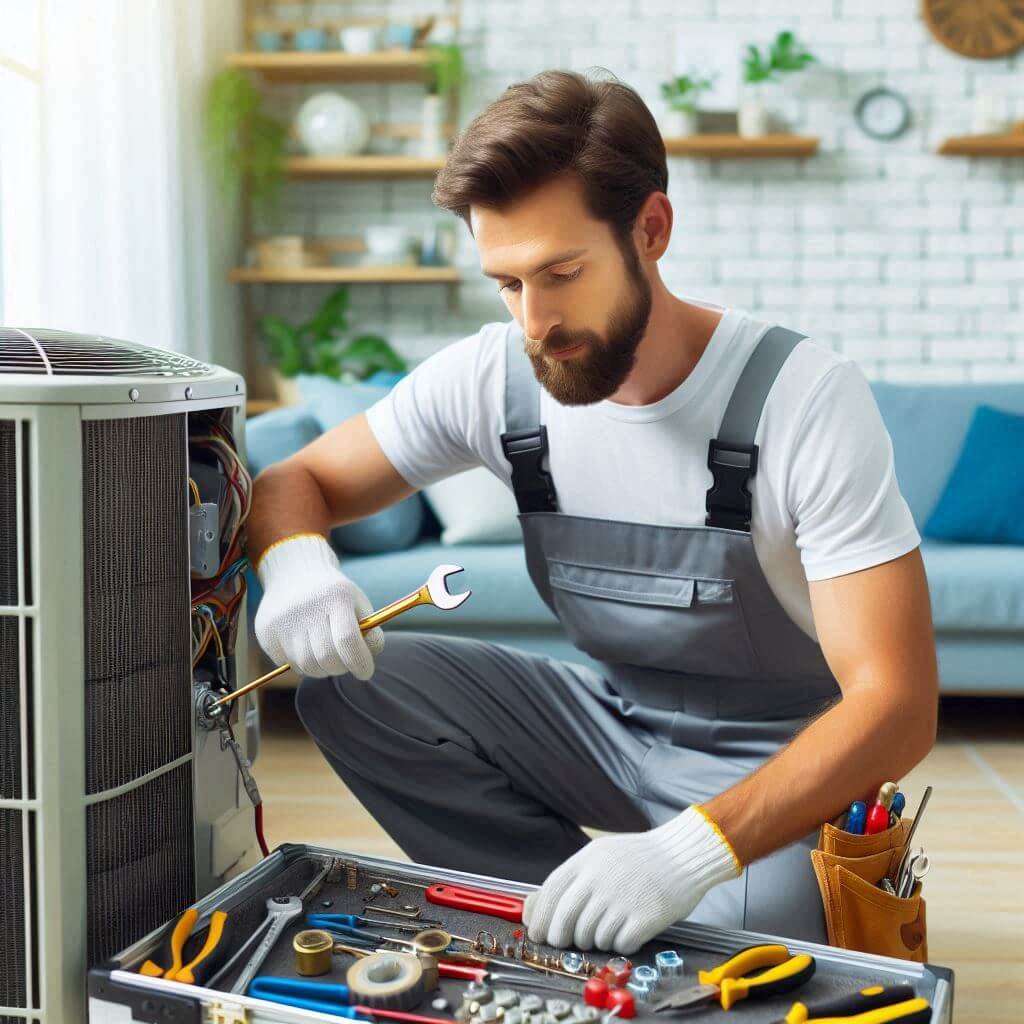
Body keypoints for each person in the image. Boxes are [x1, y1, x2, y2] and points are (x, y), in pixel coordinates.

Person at [248, 69, 938, 955]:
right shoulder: (494, 377)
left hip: (778, 755)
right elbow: (293, 479)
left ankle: (659, 903)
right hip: (611, 722)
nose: (535, 321)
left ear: (651, 229)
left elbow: (900, 704)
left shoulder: (801, 398)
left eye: (561, 272)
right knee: (353, 690)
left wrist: (688, 853)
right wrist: (299, 567)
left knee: (760, 961)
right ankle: (563, 917)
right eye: (506, 283)